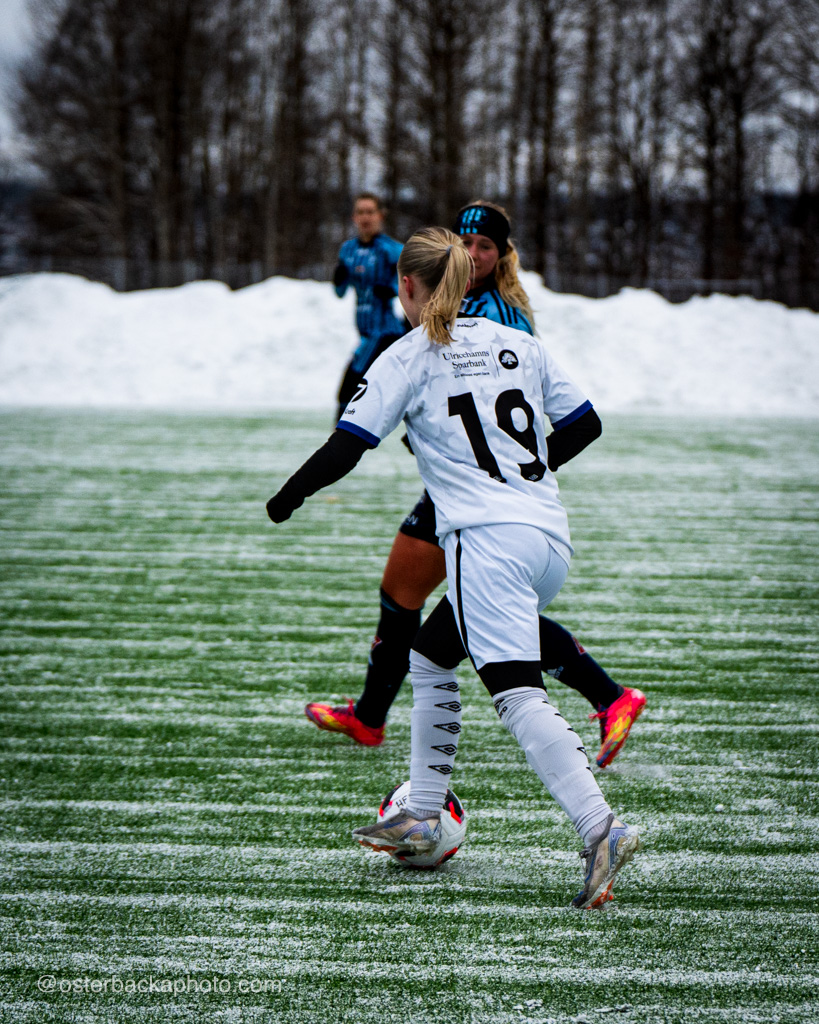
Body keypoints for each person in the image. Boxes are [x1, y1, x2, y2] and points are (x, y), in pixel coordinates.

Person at [266, 227, 641, 908]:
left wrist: (286, 497)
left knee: (516, 695)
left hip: (485, 542)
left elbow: (347, 446)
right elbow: (584, 423)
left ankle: (600, 828)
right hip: (547, 538)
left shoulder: (407, 355)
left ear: (406, 286)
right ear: (466, 281)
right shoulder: (516, 342)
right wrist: (525, 472)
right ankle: (422, 814)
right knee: (431, 654)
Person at [306, 201, 645, 767]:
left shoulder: (501, 317)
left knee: (474, 606)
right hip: (465, 485)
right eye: (464, 242)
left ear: (502, 253)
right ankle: (370, 716)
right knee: (411, 594)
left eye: (484, 245)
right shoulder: (454, 298)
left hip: (480, 493)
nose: (472, 252)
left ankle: (608, 696)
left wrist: (526, 470)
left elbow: (513, 408)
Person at [333, 193, 406, 422]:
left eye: (370, 212)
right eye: (361, 212)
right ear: (354, 217)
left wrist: (392, 288)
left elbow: (409, 284)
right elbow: (340, 292)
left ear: (381, 215)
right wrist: (339, 278)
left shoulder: (392, 249)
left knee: (350, 389)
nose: (366, 217)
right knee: (359, 392)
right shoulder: (348, 250)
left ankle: (341, 437)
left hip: (385, 332)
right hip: (364, 333)